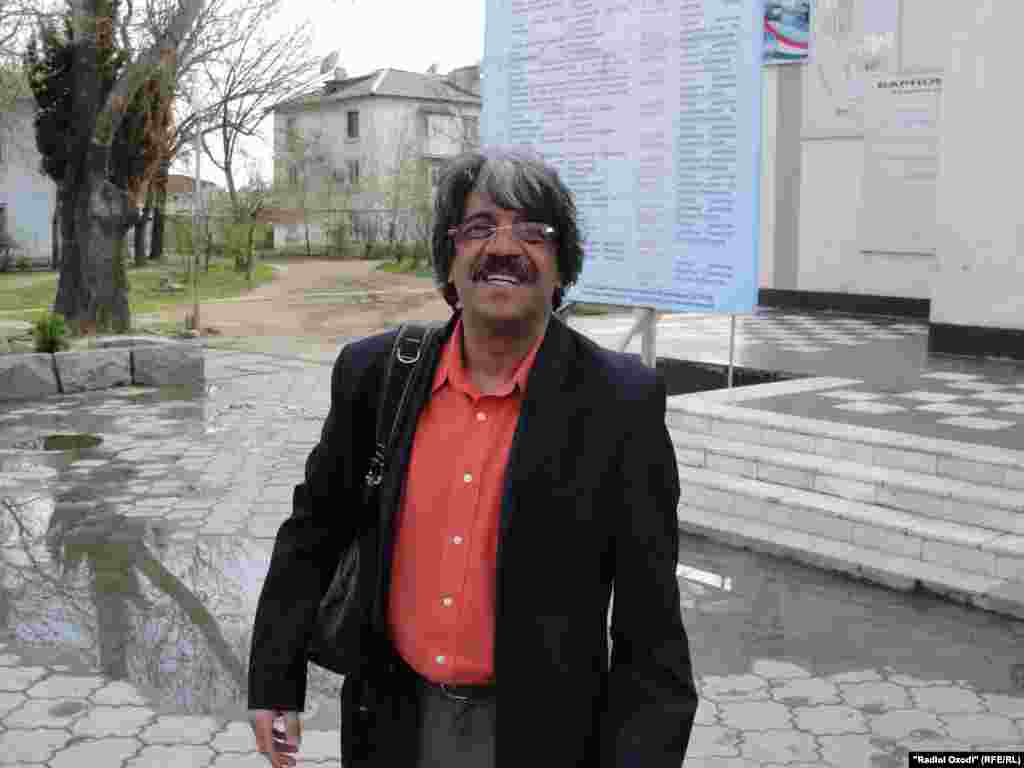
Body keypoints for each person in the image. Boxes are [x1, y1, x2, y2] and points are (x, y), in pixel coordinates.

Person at [248, 148, 697, 768]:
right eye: (480, 227)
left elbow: (651, 627)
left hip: (544, 738)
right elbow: (312, 533)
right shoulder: (376, 375)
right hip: (390, 724)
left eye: (532, 231)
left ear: (561, 266)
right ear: (449, 260)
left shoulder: (621, 402)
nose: (504, 248)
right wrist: (274, 678)